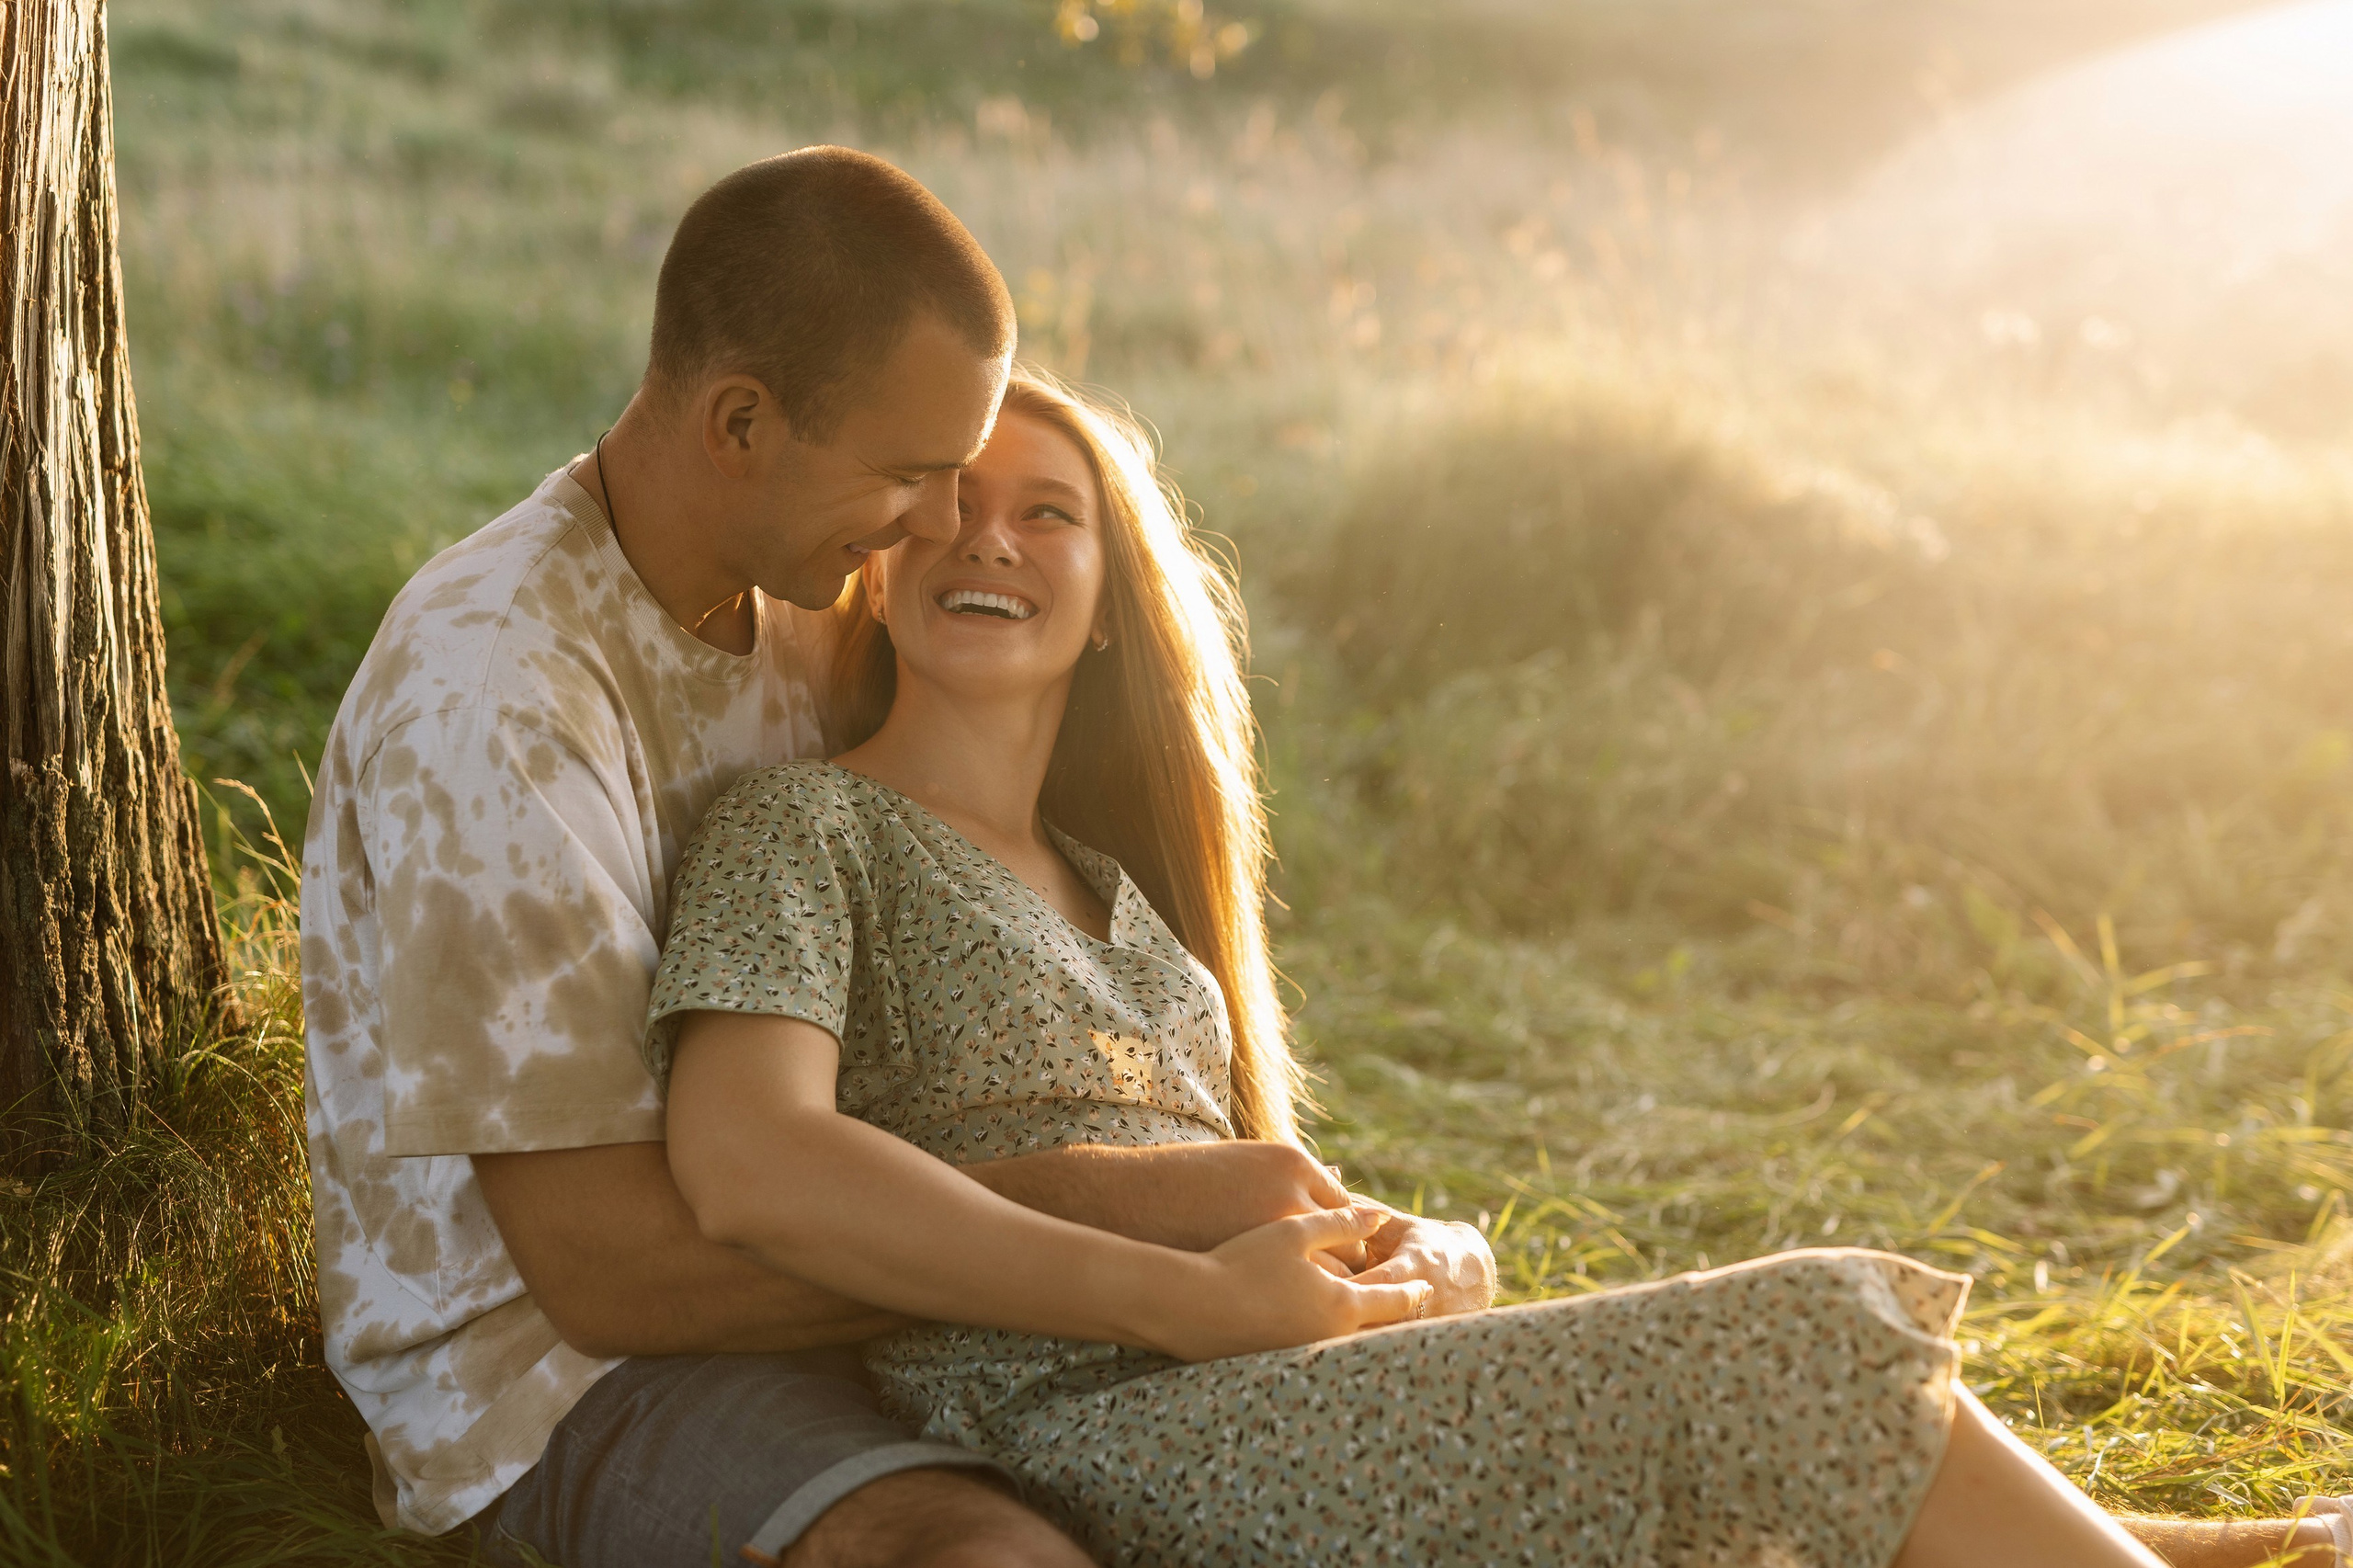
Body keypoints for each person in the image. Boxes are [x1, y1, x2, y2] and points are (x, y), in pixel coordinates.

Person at [643, 367, 2316, 1568]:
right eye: (948, 503)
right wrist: (1191, 1254)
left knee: (1729, 1439)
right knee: (1799, 1330)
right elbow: (752, 1159)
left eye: (1046, 513)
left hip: (1286, 1389)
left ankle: (2229, 1550)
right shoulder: (808, 830)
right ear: (880, 558)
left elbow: (1251, 1195)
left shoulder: (1120, 894)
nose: (985, 539)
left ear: (1105, 601)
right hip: (1085, 1424)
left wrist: (1405, 1254)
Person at [301, 144, 1490, 1566]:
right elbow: (611, 1274)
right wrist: (1152, 1233)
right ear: (741, 423)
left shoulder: (798, 595)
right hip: (567, 1379)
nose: (937, 524)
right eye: (913, 474)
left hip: (911, 1310)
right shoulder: (500, 688)